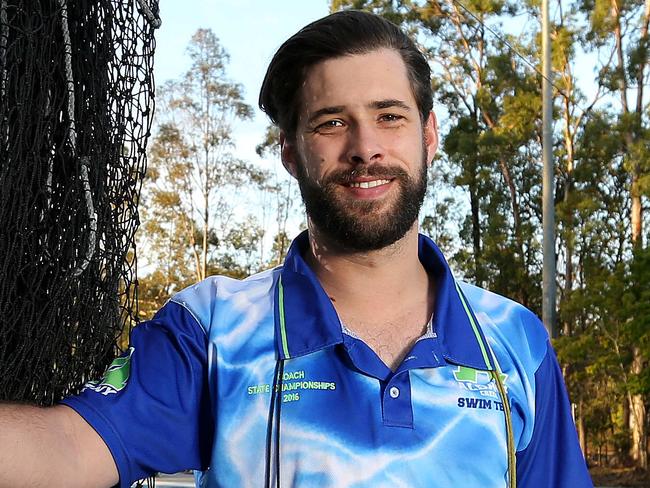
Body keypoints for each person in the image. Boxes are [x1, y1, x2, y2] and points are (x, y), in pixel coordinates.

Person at [0, 10, 592, 488]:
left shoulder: (516, 341)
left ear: (428, 134)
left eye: (389, 116)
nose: (366, 148)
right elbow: (71, 448)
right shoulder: (214, 329)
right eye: (332, 123)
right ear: (289, 150)